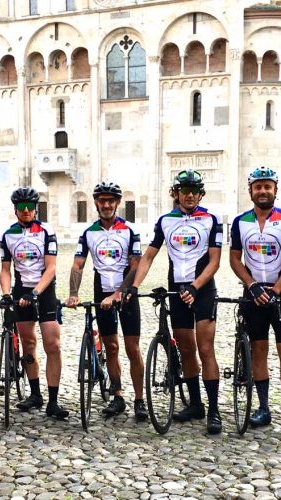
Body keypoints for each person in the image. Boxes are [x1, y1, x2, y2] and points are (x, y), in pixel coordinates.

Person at [125, 170, 223, 434]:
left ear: (201, 193)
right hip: (177, 291)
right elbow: (148, 256)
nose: (189, 195)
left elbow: (215, 261)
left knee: (205, 349)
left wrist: (195, 286)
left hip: (202, 290)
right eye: (184, 190)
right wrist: (134, 287)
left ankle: (213, 410)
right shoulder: (165, 221)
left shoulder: (212, 219)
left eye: (194, 190)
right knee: (186, 349)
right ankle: (195, 405)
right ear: (176, 193)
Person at [228, 166, 281, 432]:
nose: (263, 191)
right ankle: (263, 408)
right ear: (250, 190)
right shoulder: (240, 222)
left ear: (276, 189)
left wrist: (275, 290)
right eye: (258, 187)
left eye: (268, 186)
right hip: (253, 294)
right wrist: (251, 285)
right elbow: (233, 258)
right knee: (258, 350)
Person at [66, 181, 147, 421]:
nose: (107, 204)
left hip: (126, 295)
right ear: (96, 203)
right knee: (111, 347)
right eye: (102, 200)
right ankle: (118, 396)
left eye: (111, 200)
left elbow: (136, 264)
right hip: (102, 294)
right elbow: (78, 264)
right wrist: (73, 292)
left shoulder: (130, 231)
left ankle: (140, 400)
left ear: (118, 203)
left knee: (133, 348)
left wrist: (120, 293)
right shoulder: (89, 232)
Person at [0, 187, 69, 419]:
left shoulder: (46, 231)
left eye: (30, 206)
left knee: (53, 344)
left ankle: (53, 400)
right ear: (15, 210)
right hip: (21, 290)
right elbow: (5, 269)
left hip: (45, 290)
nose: (26, 211)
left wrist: (36, 292)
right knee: (28, 343)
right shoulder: (8, 234)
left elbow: (51, 267)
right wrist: (6, 292)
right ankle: (35, 394)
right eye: (21, 207)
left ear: (36, 208)